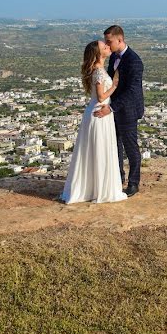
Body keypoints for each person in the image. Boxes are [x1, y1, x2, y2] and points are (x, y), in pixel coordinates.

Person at [60, 40, 128, 204]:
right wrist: (115, 85)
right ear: (98, 54)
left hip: (99, 113)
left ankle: (93, 188)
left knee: (95, 150)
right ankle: (99, 189)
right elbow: (101, 97)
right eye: (104, 47)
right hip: (100, 113)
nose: (107, 47)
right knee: (100, 149)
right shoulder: (98, 72)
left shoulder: (99, 70)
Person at [93, 25, 144, 197]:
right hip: (113, 109)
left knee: (131, 148)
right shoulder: (114, 56)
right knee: (114, 145)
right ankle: (118, 177)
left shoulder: (134, 61)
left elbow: (132, 91)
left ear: (120, 40)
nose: (107, 45)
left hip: (127, 110)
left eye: (109, 41)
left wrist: (112, 107)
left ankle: (134, 183)